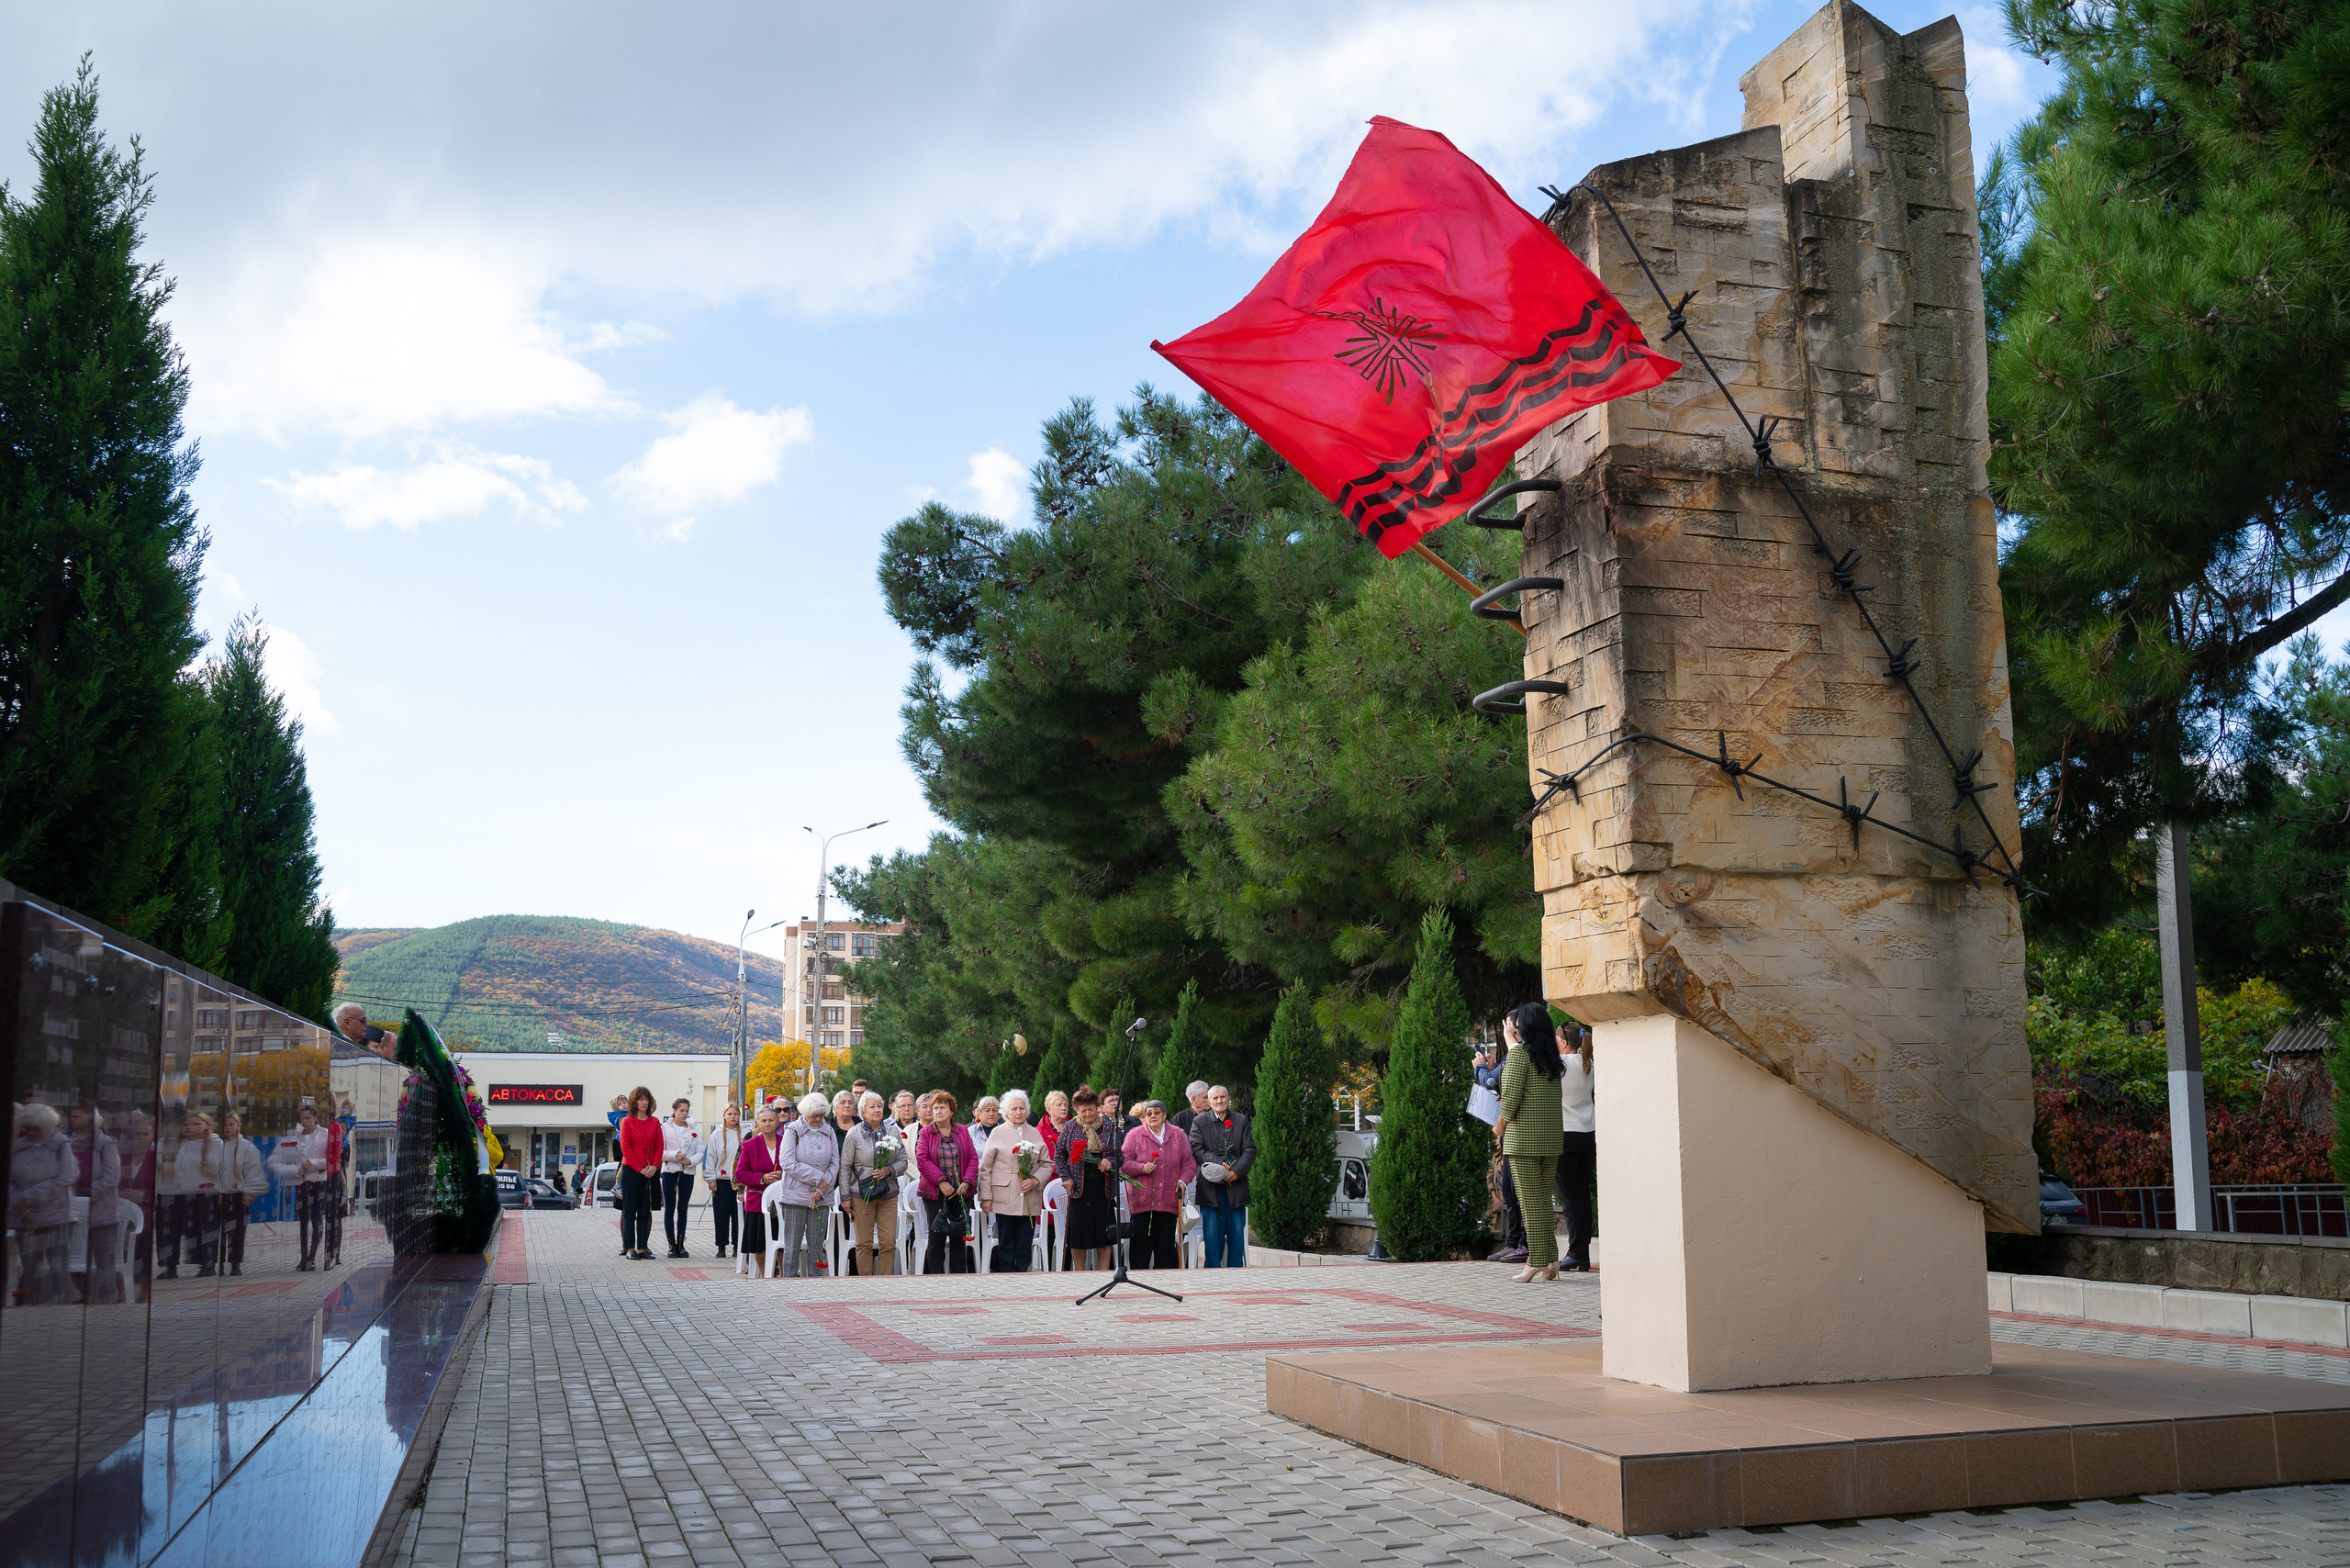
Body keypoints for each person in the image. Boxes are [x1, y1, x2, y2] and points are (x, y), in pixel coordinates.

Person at [1496, 1002, 1567, 1283]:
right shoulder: (1551, 1057)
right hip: (1550, 1140)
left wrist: (1499, 1125)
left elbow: (1510, 1100)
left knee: (1530, 1201)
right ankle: (1551, 1261)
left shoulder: (1519, 1056)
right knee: (1541, 1200)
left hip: (1523, 1141)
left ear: (1523, 1027)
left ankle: (1535, 1261)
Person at [10, 1103, 76, 1303]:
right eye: (27, 1128)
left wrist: (27, 1197)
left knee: (58, 1268)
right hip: (24, 1216)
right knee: (30, 1268)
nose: (31, 1132)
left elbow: (66, 1177)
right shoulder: (17, 1148)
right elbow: (9, 1180)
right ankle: (31, 1309)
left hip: (55, 1215)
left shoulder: (61, 1144)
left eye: (36, 1128)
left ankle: (62, 1307)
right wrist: (19, 1203)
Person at [977, 1089, 1048, 1272]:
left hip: (1028, 1197)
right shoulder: (998, 1133)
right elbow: (985, 1167)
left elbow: (1047, 1164)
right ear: (1006, 1112)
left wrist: (1035, 1180)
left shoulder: (1035, 1133)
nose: (1018, 1112)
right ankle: (1006, 1277)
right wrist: (986, 1196)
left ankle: (1023, 1275)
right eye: (1014, 1109)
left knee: (1025, 1241)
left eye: (1022, 1108)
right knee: (1006, 1242)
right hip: (1004, 1196)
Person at [1054, 1088, 1122, 1271]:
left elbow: (1120, 1156)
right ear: (1076, 1110)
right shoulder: (1070, 1127)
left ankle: (1103, 1273)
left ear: (1098, 1107)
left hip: (1103, 1189)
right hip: (1078, 1190)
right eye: (1082, 1110)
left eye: (1090, 1109)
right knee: (1078, 1236)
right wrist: (1066, 1177)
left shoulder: (1109, 1127)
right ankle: (1080, 1273)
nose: (1087, 1113)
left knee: (1104, 1234)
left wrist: (1111, 1161)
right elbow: (1058, 1155)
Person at [1121, 1100, 1194, 1270]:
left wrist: (1183, 1181)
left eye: (1157, 1112)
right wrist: (1141, 1167)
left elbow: (1189, 1163)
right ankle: (1140, 1290)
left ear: (1164, 1115)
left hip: (1169, 1204)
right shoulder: (1135, 1135)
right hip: (1142, 1205)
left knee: (1166, 1254)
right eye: (1148, 1113)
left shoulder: (1177, 1135)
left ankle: (1165, 1288)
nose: (1152, 1116)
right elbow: (1123, 1163)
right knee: (1141, 1253)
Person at [772, 1093, 838, 1279]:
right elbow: (787, 1162)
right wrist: (818, 1179)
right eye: (814, 1115)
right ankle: (790, 1281)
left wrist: (822, 1188)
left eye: (821, 1115)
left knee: (817, 1243)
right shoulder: (793, 1130)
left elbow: (835, 1163)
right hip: (796, 1196)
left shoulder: (829, 1130)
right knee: (792, 1244)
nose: (818, 1119)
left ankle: (816, 1281)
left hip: (822, 1196)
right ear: (805, 1113)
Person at [841, 1092, 908, 1276]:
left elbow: (903, 1160)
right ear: (862, 1112)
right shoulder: (854, 1134)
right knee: (864, 1242)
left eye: (879, 1106)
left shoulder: (893, 1131)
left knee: (888, 1242)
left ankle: (885, 1281)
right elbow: (845, 1166)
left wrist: (888, 1171)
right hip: (861, 1195)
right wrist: (845, 1197)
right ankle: (865, 1282)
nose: (877, 1110)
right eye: (872, 1107)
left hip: (888, 1193)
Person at [1188, 1086, 1254, 1269]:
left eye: (1222, 1097)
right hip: (1210, 1188)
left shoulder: (1240, 1120)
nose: (1219, 1101)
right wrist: (1220, 1165)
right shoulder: (1200, 1122)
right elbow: (1196, 1149)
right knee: (1212, 1236)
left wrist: (1236, 1171)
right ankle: (1213, 1275)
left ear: (1228, 1098)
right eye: (1215, 1098)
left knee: (1237, 1235)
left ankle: (1235, 1274)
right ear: (1208, 1102)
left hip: (1236, 1185)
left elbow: (1249, 1149)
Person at [1476, 1037, 1528, 1264]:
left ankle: (1523, 1245)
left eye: (1509, 1023)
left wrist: (1480, 1069)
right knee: (1510, 1191)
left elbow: (1490, 1082)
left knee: (1519, 1194)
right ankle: (1513, 1243)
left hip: (1519, 1135)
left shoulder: (1519, 1053)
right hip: (1512, 1135)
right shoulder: (1516, 1055)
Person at [916, 1091, 978, 1274]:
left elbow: (973, 1158)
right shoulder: (926, 1132)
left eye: (942, 1107)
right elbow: (922, 1159)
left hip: (960, 1192)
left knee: (958, 1236)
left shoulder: (963, 1130)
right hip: (935, 1193)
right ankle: (935, 1278)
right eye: (935, 1108)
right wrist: (941, 1182)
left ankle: (958, 1278)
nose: (937, 1111)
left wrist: (966, 1182)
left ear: (952, 1111)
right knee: (937, 1237)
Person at [157, 1110, 223, 1281]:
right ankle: (169, 1266)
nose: (189, 1127)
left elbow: (224, 1170)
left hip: (204, 1193)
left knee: (204, 1230)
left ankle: (207, 1265)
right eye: (185, 1124)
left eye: (195, 1124)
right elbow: (157, 1168)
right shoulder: (165, 1144)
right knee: (169, 1232)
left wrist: (223, 1190)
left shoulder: (217, 1145)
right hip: (171, 1192)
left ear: (207, 1125)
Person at [270, 1104, 336, 1271]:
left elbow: (333, 1160)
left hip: (318, 1182)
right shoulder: (294, 1137)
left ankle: (312, 1257)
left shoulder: (324, 1135)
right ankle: (303, 1257)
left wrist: (313, 1164)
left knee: (316, 1218)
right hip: (301, 1183)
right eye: (302, 1118)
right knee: (303, 1222)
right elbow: (273, 1161)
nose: (304, 1121)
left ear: (315, 1118)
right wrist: (295, 1171)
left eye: (307, 1118)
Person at [67, 1105, 121, 1303]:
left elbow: (112, 1178)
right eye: (71, 1116)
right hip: (74, 1212)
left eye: (78, 1116)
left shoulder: (106, 1144)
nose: (73, 1119)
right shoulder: (67, 1144)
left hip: (101, 1213)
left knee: (104, 1261)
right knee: (74, 1262)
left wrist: (88, 1192)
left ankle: (108, 1300)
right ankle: (86, 1297)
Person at [1558, 1023, 1596, 1272]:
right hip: (1588, 1134)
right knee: (1582, 1195)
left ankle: (1576, 1252)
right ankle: (1582, 1252)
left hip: (1566, 1134)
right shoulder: (1589, 1064)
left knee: (1570, 1199)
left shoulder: (1560, 1066)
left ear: (1563, 1042)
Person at [734, 1105, 785, 1277]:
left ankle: (785, 1274)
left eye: (771, 1120)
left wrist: (783, 1174)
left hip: (782, 1201)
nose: (768, 1124)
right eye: (764, 1121)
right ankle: (765, 1275)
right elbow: (740, 1174)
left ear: (778, 1122)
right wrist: (762, 1178)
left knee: (782, 1241)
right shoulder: (749, 1145)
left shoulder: (787, 1142)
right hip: (757, 1201)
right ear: (758, 1123)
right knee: (758, 1242)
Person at [218, 1112, 269, 1277]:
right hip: (221, 1195)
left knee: (238, 1231)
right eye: (225, 1125)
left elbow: (254, 1171)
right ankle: (218, 1263)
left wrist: (249, 1192)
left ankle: (235, 1263)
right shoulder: (218, 1147)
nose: (228, 1128)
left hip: (238, 1195)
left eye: (231, 1124)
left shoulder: (247, 1148)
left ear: (238, 1126)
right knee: (220, 1231)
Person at [616, 1087, 663, 1260]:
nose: (644, 1102)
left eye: (647, 1099)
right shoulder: (627, 1122)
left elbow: (659, 1146)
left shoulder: (655, 1122)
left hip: (651, 1172)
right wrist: (640, 1168)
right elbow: (625, 1148)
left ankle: (642, 1248)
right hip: (632, 1171)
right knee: (630, 1211)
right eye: (641, 1099)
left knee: (645, 1211)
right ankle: (629, 1249)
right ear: (634, 1102)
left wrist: (655, 1166)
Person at [660, 1098, 702, 1258]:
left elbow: (700, 1151)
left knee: (683, 1208)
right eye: (681, 1111)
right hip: (670, 1171)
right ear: (674, 1110)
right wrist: (674, 1155)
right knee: (669, 1208)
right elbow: (660, 1151)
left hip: (687, 1172)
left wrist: (691, 1160)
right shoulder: (665, 1128)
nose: (684, 1114)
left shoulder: (694, 1129)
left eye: (686, 1111)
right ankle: (671, 1244)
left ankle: (681, 1244)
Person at [702, 1103, 744, 1258]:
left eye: (735, 1114)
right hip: (722, 1180)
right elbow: (710, 1157)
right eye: (730, 1114)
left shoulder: (745, 1133)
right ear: (724, 1116)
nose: (733, 1117)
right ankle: (721, 1246)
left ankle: (737, 1245)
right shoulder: (716, 1135)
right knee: (721, 1215)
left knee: (738, 1214)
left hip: (740, 1182)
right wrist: (710, 1179)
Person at [1036, 1091, 1071, 1160]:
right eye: (1059, 1105)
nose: (1064, 1108)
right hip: (1051, 1170)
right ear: (1049, 1109)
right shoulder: (1039, 1132)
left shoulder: (1075, 1127)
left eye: (1066, 1105)